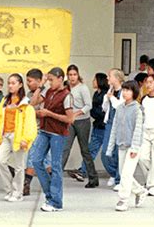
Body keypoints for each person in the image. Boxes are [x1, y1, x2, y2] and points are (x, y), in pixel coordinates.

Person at [32, 67, 74, 212]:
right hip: (44, 131)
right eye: (48, 80)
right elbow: (33, 102)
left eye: (51, 80)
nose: (49, 83)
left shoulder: (67, 95)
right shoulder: (48, 91)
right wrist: (40, 86)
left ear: (60, 79)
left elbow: (70, 118)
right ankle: (50, 194)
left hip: (57, 133)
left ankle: (56, 202)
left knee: (56, 166)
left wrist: (48, 113)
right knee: (36, 160)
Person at [0, 74, 38, 202]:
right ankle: (9, 190)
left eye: (13, 83)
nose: (10, 86)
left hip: (18, 136)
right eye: (9, 83)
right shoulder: (4, 101)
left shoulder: (24, 102)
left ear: (20, 85)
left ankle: (18, 192)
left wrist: (26, 139)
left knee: (19, 166)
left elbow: (30, 123)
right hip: (5, 135)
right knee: (0, 162)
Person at [106, 80, 148, 212]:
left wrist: (135, 148)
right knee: (124, 173)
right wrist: (110, 147)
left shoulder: (137, 109)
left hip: (132, 146)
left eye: (128, 90)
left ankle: (123, 200)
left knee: (125, 174)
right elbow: (114, 128)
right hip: (121, 145)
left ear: (134, 92)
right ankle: (140, 191)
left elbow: (138, 130)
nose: (125, 93)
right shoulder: (119, 108)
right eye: (124, 90)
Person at [62, 65, 99, 188]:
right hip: (69, 122)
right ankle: (56, 176)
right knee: (65, 148)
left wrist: (76, 113)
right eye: (70, 75)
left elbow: (88, 105)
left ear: (78, 75)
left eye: (74, 74)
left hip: (82, 121)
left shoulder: (82, 88)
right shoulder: (65, 88)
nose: (72, 77)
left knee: (85, 150)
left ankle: (93, 177)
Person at [23, 68, 52, 196]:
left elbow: (34, 104)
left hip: (45, 129)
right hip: (33, 129)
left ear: (39, 81)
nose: (28, 83)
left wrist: (40, 87)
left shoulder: (48, 91)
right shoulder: (29, 94)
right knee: (33, 157)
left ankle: (51, 183)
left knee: (46, 159)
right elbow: (30, 106)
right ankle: (26, 184)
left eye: (30, 81)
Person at [75, 73, 109, 179]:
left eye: (95, 80)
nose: (93, 81)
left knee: (104, 152)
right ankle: (83, 170)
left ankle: (84, 171)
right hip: (97, 125)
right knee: (91, 150)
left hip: (104, 127)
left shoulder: (105, 94)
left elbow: (102, 112)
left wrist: (94, 111)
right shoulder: (96, 94)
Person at [101, 68, 125, 191]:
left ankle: (119, 178)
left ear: (117, 78)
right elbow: (105, 108)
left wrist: (111, 98)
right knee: (105, 152)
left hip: (120, 125)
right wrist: (107, 98)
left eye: (109, 76)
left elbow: (120, 106)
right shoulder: (110, 91)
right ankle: (113, 173)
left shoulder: (124, 92)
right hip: (110, 123)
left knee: (118, 152)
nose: (107, 78)